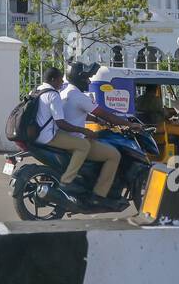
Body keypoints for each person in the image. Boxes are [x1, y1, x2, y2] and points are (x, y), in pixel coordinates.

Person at [32, 65, 120, 209]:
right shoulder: (69, 94)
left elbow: (74, 112)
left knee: (87, 143)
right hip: (53, 136)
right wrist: (127, 123)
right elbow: (62, 121)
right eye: (86, 78)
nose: (89, 82)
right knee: (112, 154)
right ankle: (94, 193)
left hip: (43, 134)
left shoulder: (58, 91)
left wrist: (96, 121)